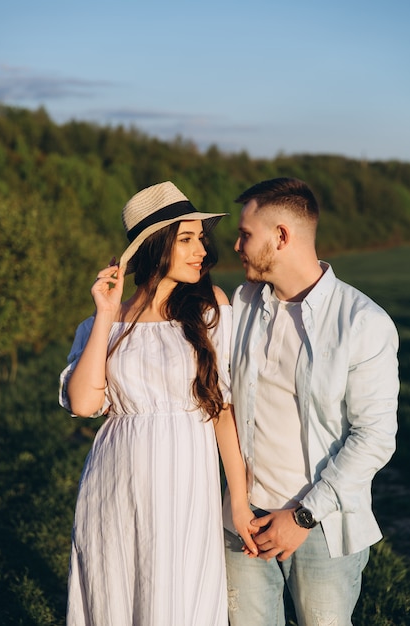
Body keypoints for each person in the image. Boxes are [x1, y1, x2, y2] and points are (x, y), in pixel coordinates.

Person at [59, 181, 258, 626]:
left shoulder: (210, 310)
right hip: (115, 479)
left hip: (186, 476)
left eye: (200, 239)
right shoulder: (103, 323)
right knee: (115, 585)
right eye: (186, 239)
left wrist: (239, 502)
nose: (200, 250)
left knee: (176, 592)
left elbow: (221, 410)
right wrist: (107, 314)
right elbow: (83, 402)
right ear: (154, 247)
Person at [223, 177, 400, 626]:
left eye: (246, 234)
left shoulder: (363, 322)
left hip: (323, 525)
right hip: (242, 522)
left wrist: (301, 517)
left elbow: (375, 437)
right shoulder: (240, 305)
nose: (236, 245)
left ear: (281, 236)